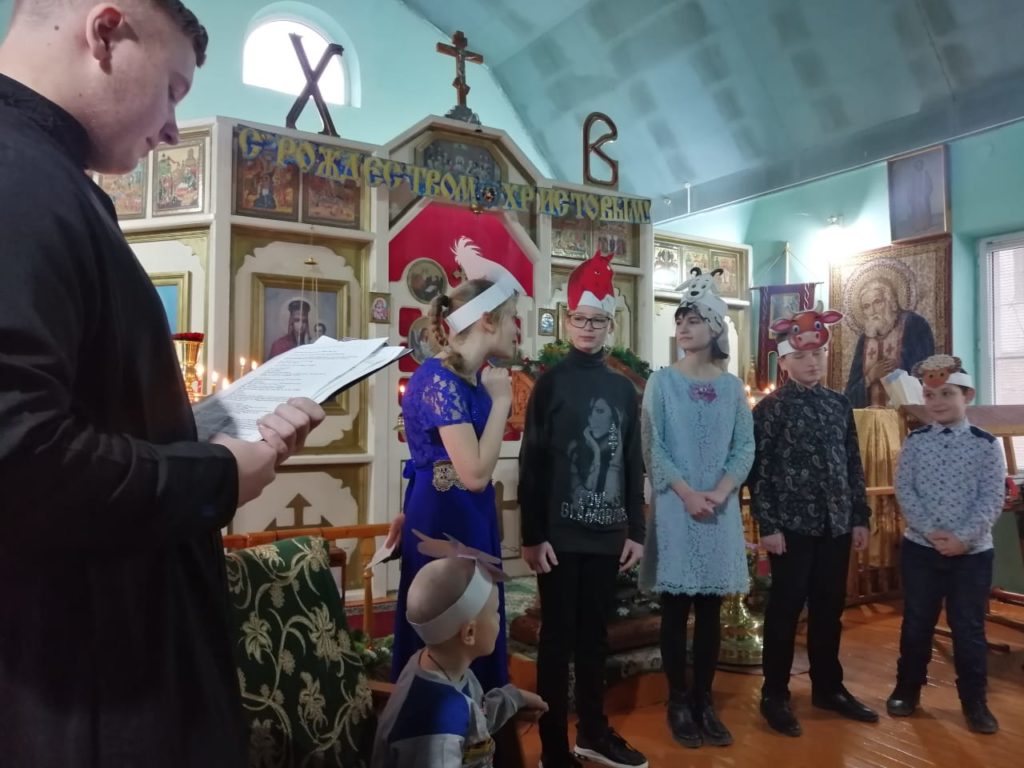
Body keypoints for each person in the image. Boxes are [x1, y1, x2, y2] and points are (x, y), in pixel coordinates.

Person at [0, 3, 325, 766]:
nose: (174, 128)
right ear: (106, 30)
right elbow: (17, 456)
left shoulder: (44, 175)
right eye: (173, 89)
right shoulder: (18, 178)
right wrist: (215, 475)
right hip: (81, 690)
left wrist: (202, 430)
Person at [519, 251, 647, 768]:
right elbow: (531, 461)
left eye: (597, 320)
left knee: (596, 638)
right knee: (556, 640)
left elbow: (633, 459)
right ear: (568, 321)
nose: (588, 328)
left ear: (610, 325)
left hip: (607, 534)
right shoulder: (550, 383)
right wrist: (532, 534)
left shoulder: (622, 388)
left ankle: (593, 732)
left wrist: (636, 530)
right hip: (558, 537)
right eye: (580, 319)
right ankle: (553, 748)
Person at [392, 245, 521, 692]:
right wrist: (502, 402)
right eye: (512, 319)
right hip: (445, 518)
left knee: (480, 618)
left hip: (468, 513)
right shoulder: (439, 379)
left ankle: (482, 719)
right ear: (487, 320)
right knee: (452, 623)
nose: (517, 330)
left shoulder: (469, 378)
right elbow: (475, 475)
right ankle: (443, 722)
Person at [751, 305, 878, 737]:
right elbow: (760, 471)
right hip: (791, 528)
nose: (812, 362)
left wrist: (859, 515)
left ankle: (828, 687)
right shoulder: (770, 410)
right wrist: (768, 525)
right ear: (785, 362)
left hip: (836, 524)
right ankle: (774, 694)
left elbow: (852, 463)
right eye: (802, 356)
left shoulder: (838, 404)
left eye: (818, 355)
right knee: (785, 610)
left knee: (829, 609)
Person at [639, 272, 754, 749]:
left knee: (710, 611)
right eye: (679, 321)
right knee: (675, 610)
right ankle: (677, 700)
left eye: (693, 320)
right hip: (676, 507)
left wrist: (723, 491)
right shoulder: (662, 382)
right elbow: (653, 445)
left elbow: (744, 446)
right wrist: (687, 493)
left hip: (719, 510)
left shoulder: (731, 387)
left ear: (715, 327)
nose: (683, 328)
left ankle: (704, 699)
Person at [888, 355, 1005, 734]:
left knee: (968, 629)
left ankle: (975, 702)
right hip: (921, 550)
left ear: (966, 395)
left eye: (947, 394)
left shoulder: (987, 446)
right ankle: (907, 689)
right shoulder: (916, 442)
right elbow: (905, 490)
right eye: (930, 395)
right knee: (916, 622)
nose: (937, 402)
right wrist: (930, 533)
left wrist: (962, 539)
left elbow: (991, 499)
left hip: (972, 555)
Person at [373, 534, 547, 767]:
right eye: (495, 612)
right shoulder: (438, 731)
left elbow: (475, 716)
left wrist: (514, 699)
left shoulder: (433, 665)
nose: (500, 619)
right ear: (469, 633)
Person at [844, 276, 935, 407]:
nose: (873, 311)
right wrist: (870, 377)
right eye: (866, 306)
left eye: (877, 302)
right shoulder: (864, 340)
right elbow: (849, 395)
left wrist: (896, 374)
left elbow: (926, 376)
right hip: (870, 417)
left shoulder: (914, 325)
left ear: (891, 302)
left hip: (907, 416)